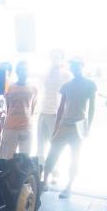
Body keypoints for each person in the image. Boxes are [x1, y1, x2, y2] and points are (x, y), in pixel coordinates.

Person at [42, 58, 96, 199]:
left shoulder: (90, 84)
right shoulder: (66, 85)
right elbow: (61, 107)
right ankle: (45, 181)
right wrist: (56, 127)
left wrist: (88, 127)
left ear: (82, 66)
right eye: (72, 66)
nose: (74, 68)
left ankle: (69, 186)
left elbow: (92, 107)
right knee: (53, 153)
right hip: (64, 124)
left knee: (75, 157)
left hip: (79, 125)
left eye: (77, 66)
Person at [37, 49, 71, 179]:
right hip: (43, 111)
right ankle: (40, 170)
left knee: (55, 145)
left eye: (57, 57)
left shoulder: (66, 74)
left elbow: (68, 96)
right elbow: (41, 90)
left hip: (56, 113)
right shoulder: (46, 72)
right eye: (52, 57)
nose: (54, 59)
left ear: (62, 58)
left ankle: (54, 173)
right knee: (40, 145)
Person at [0, 61, 38, 159]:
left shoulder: (34, 88)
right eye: (21, 70)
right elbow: (7, 106)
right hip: (10, 127)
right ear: (17, 72)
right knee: (7, 158)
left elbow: (33, 108)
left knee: (25, 160)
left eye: (26, 70)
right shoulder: (10, 88)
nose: (24, 72)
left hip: (27, 127)